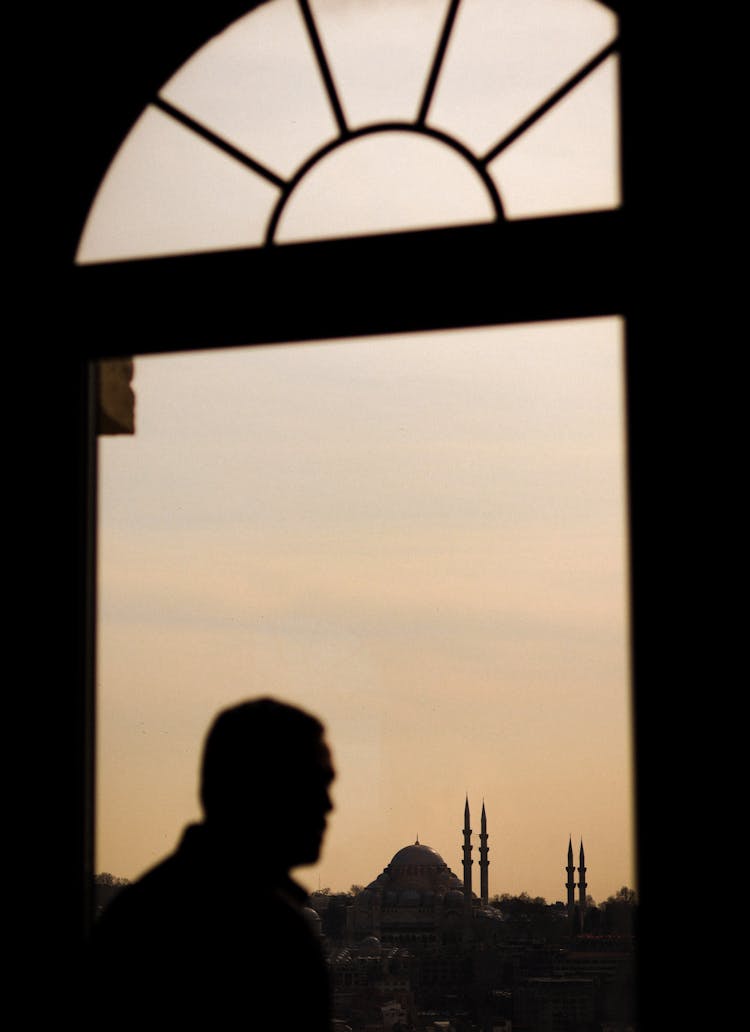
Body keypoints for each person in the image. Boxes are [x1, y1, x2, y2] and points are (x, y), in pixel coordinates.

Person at [89, 697, 336, 1029]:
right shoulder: (264, 930)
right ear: (258, 789)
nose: (328, 804)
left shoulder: (148, 904)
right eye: (312, 784)